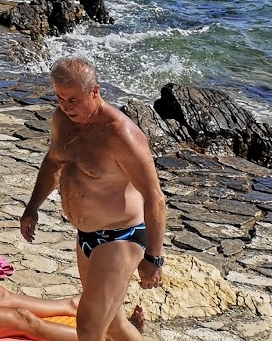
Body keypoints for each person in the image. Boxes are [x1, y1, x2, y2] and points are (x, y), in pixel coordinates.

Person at [21, 56, 165, 341]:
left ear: (95, 91)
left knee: (88, 327)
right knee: (112, 325)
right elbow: (53, 164)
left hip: (121, 237)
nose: (66, 106)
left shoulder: (121, 135)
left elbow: (155, 198)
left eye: (74, 99)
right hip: (87, 235)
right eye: (61, 98)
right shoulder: (62, 120)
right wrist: (32, 207)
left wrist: (154, 258)